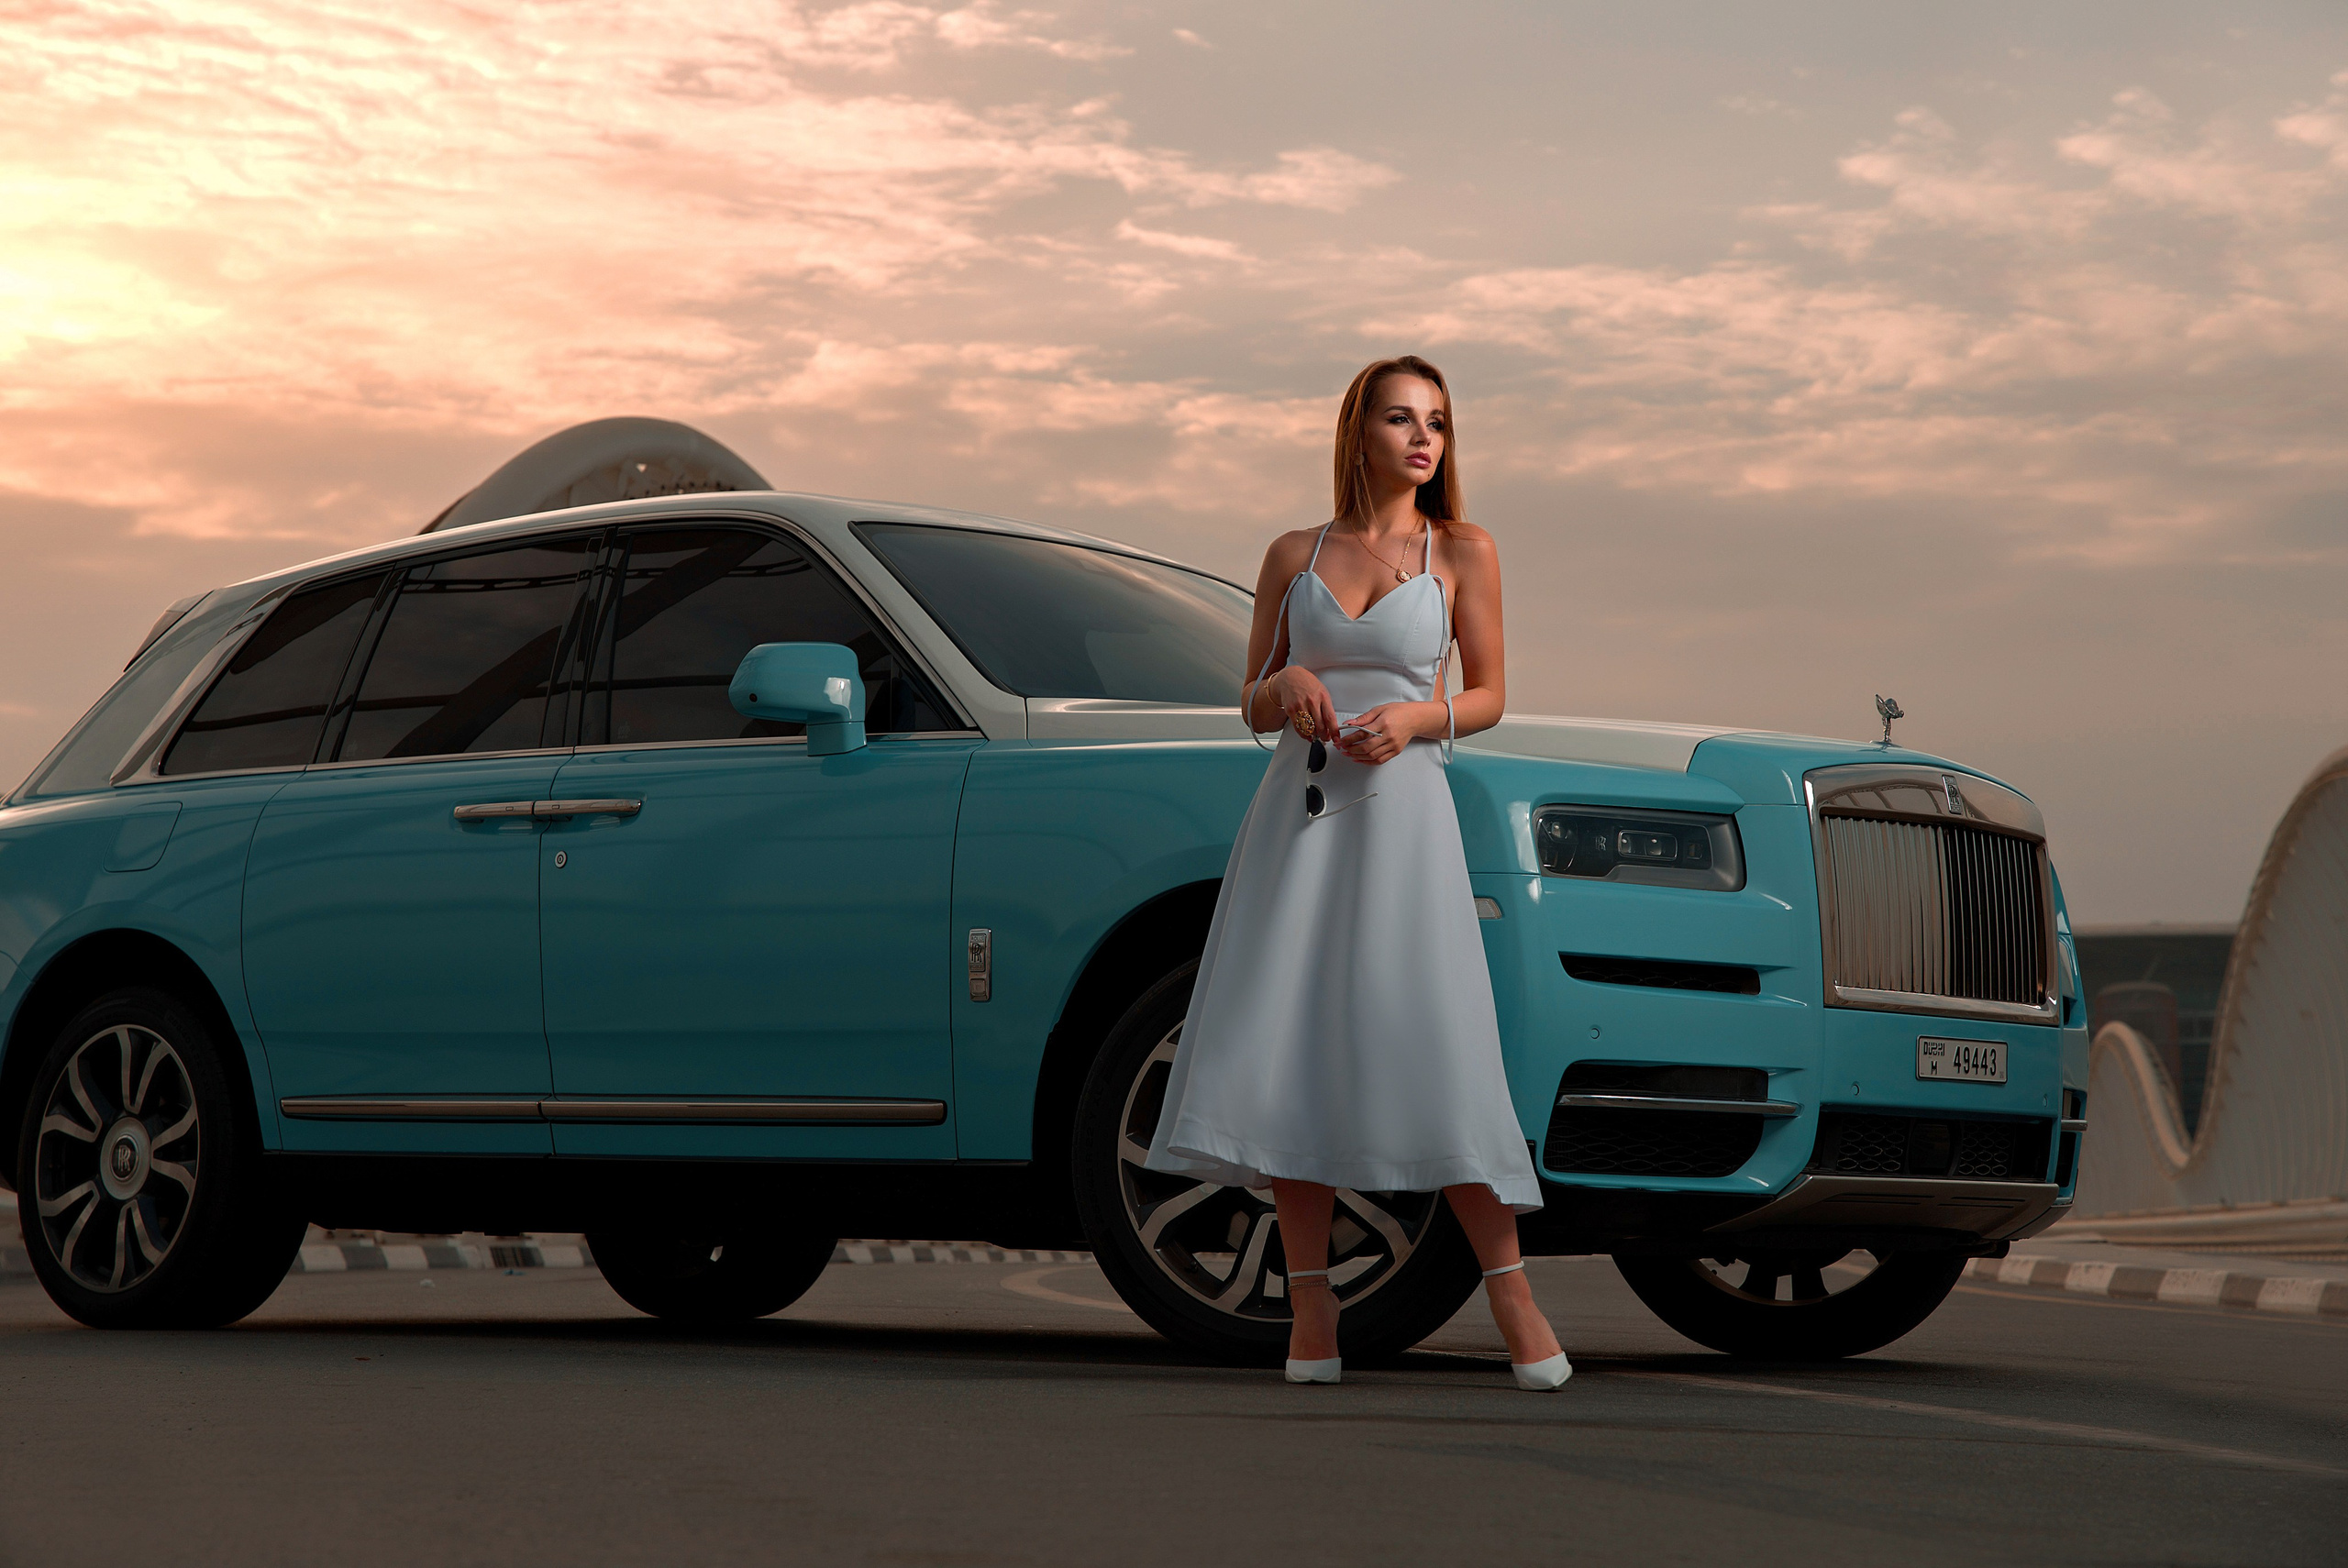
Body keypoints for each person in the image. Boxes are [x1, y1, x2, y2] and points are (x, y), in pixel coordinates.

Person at [1144, 355, 1569, 1390]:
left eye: (1436, 421)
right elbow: (1248, 700)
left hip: (1407, 818)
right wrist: (1286, 676)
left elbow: (1492, 692)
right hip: (1302, 815)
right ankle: (1311, 1310)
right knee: (1295, 1045)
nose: (1422, 438)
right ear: (1358, 432)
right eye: (1399, 418)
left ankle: (1512, 1297)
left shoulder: (1463, 547)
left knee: (1431, 1036)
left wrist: (1421, 717)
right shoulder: (1294, 551)